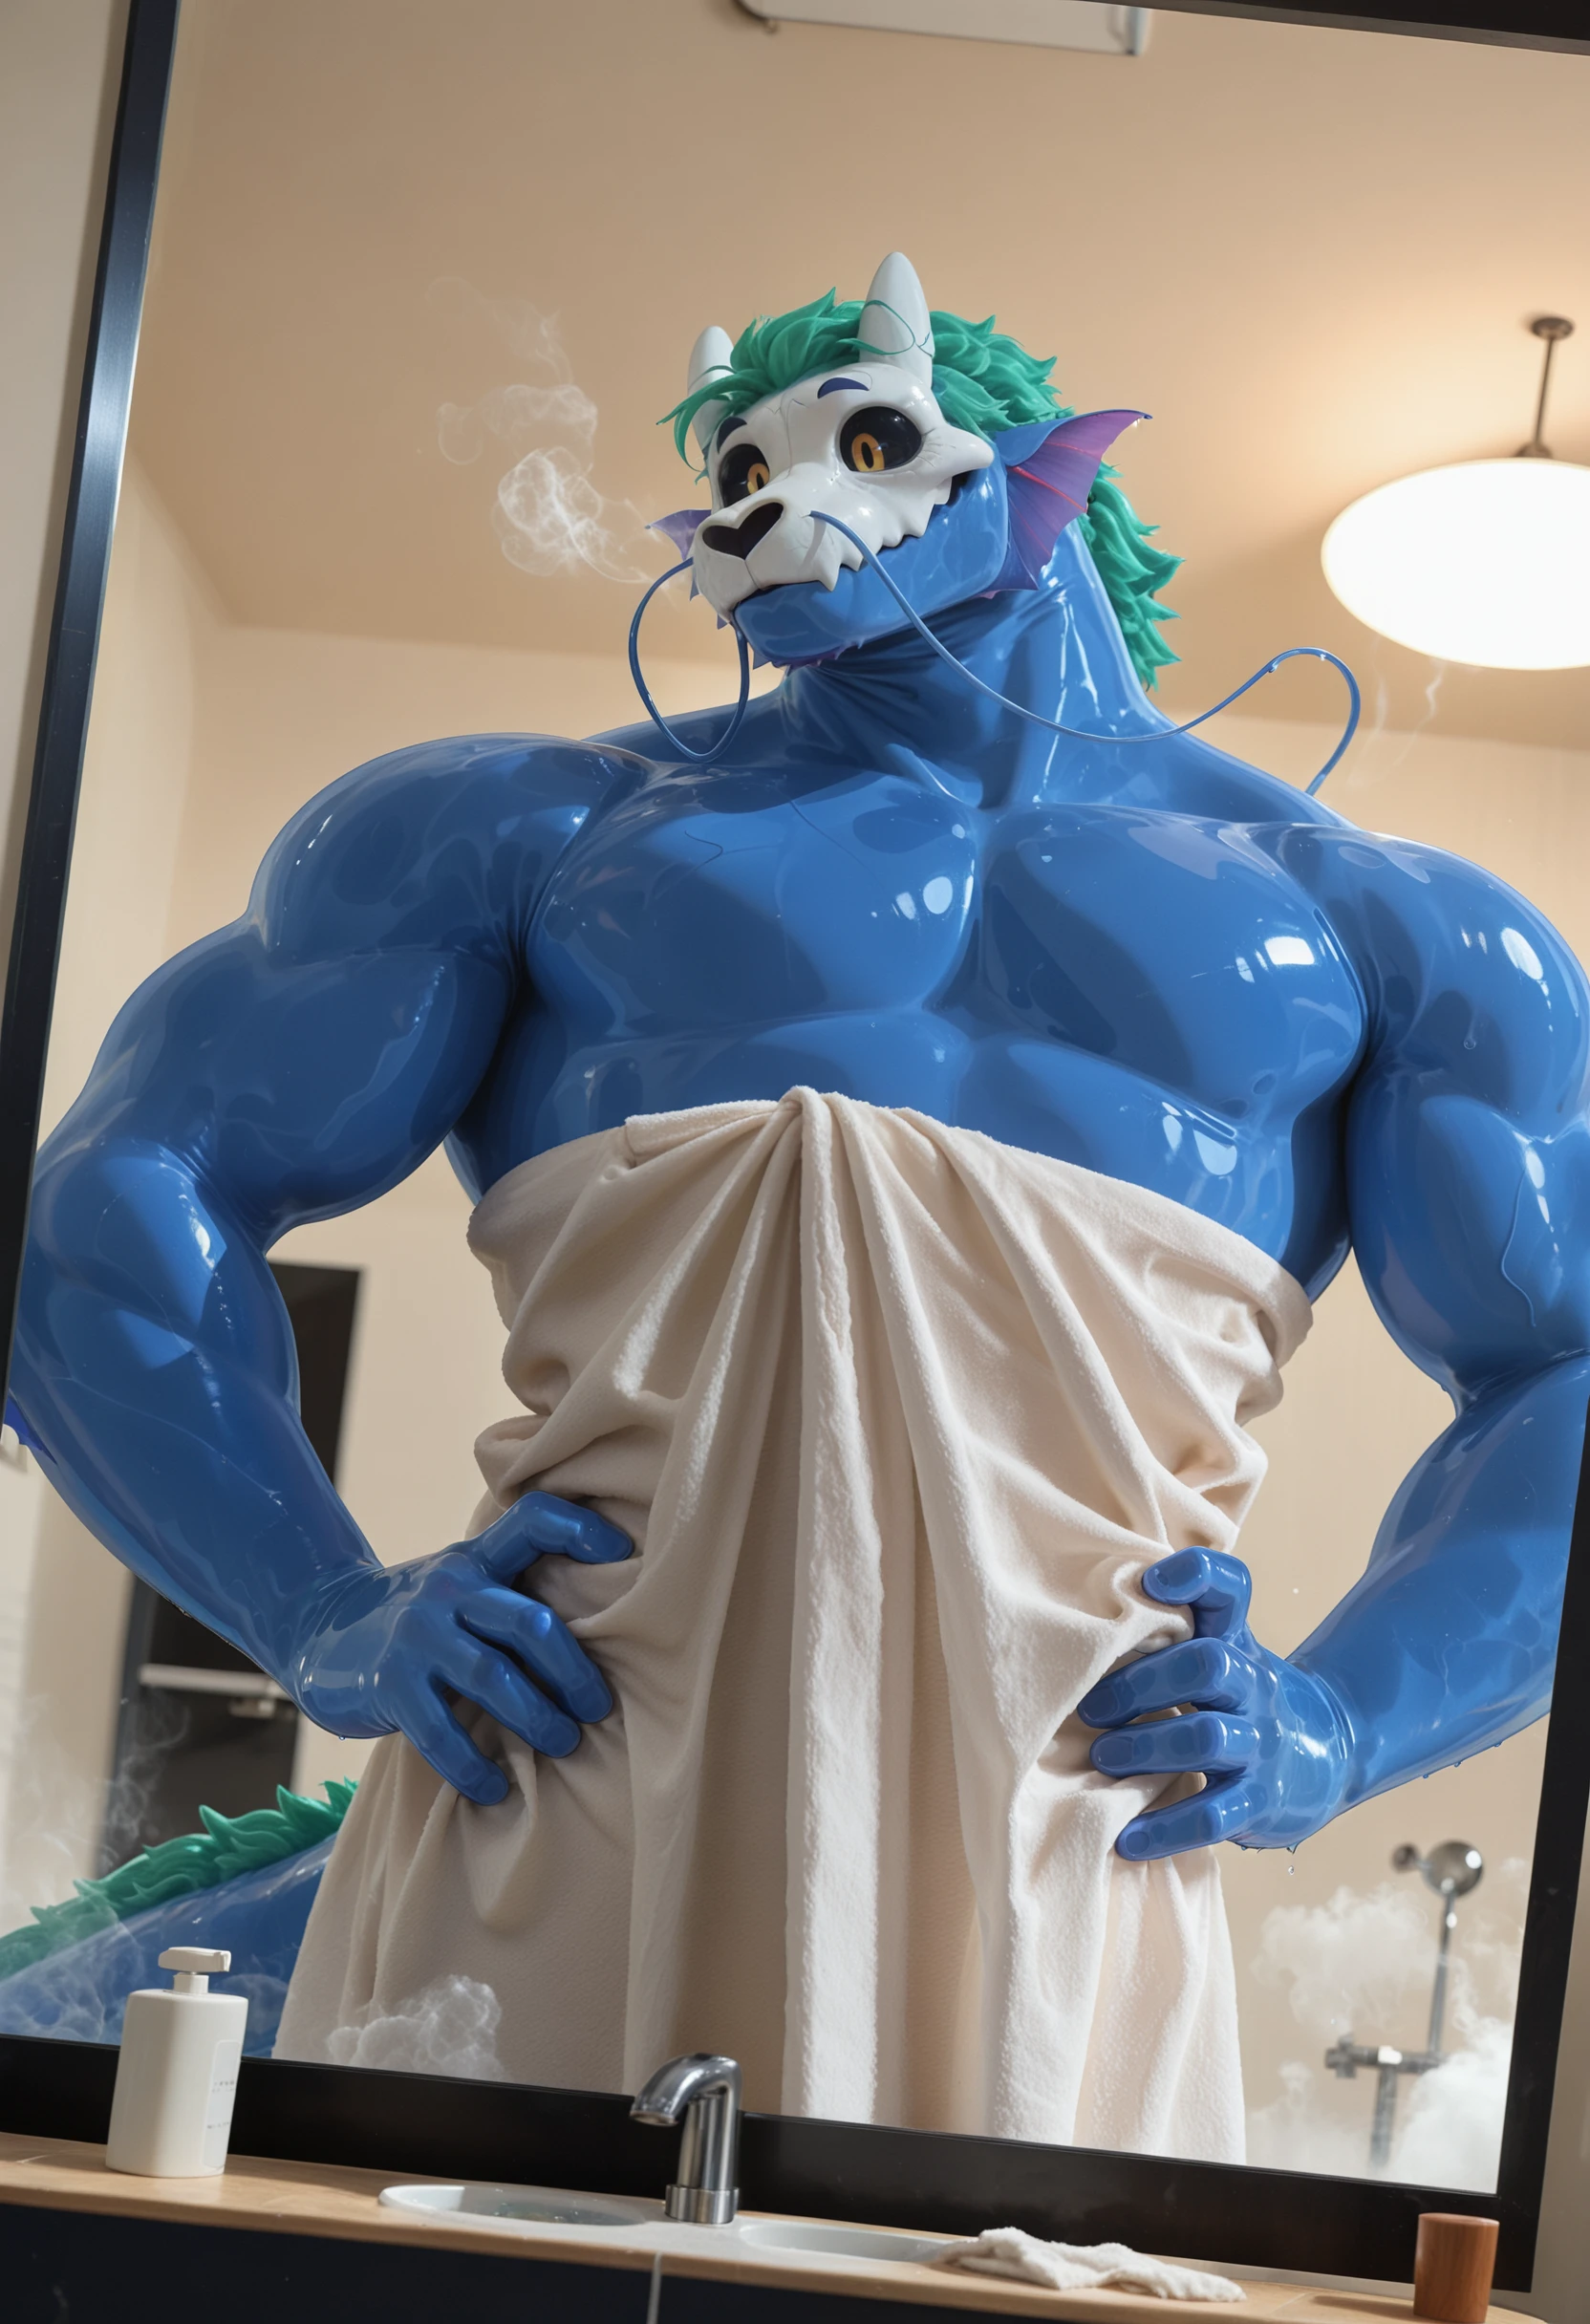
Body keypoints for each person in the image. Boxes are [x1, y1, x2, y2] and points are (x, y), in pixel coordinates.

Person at [12, 256, 1589, 2153]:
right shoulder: (525, 837)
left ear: (1047, 475)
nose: (776, 504)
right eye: (738, 471)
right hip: (564, 1781)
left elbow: (1563, 1374)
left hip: (1061, 1845)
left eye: (864, 442)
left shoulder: (1387, 926)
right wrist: (320, 1609)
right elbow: (112, 1210)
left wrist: (1341, 1717)